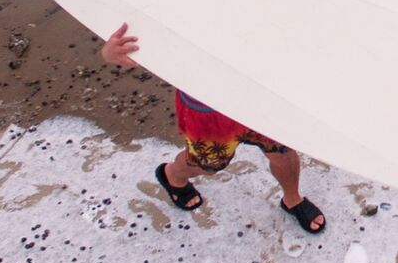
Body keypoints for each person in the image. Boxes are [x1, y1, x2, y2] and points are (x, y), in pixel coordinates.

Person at [99, 23, 326, 234]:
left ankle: (292, 199)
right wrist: (109, 52)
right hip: (208, 113)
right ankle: (172, 176)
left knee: (284, 154)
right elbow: (127, 6)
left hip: (260, 100)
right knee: (206, 165)